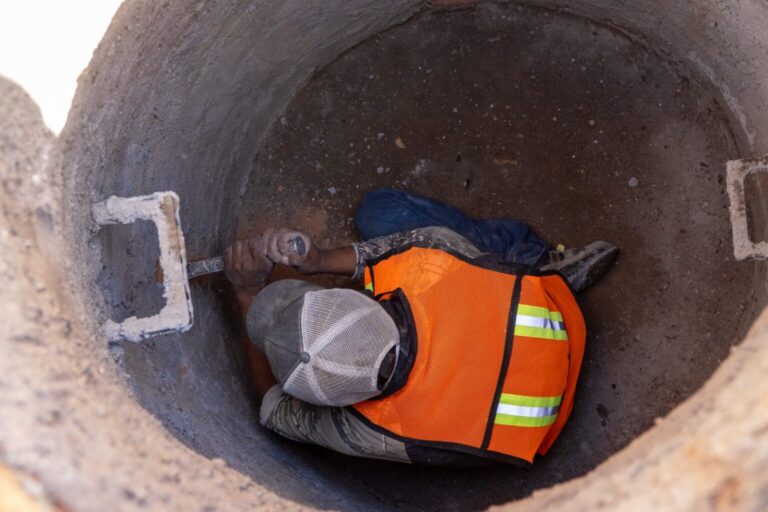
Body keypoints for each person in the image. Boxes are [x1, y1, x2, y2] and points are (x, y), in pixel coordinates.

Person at [224, 188, 618, 466]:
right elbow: (378, 255)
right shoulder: (432, 262)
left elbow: (274, 410)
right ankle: (534, 261)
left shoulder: (369, 430)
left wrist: (246, 295)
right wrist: (318, 260)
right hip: (558, 320)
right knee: (379, 211)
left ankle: (528, 269)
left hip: (541, 423)